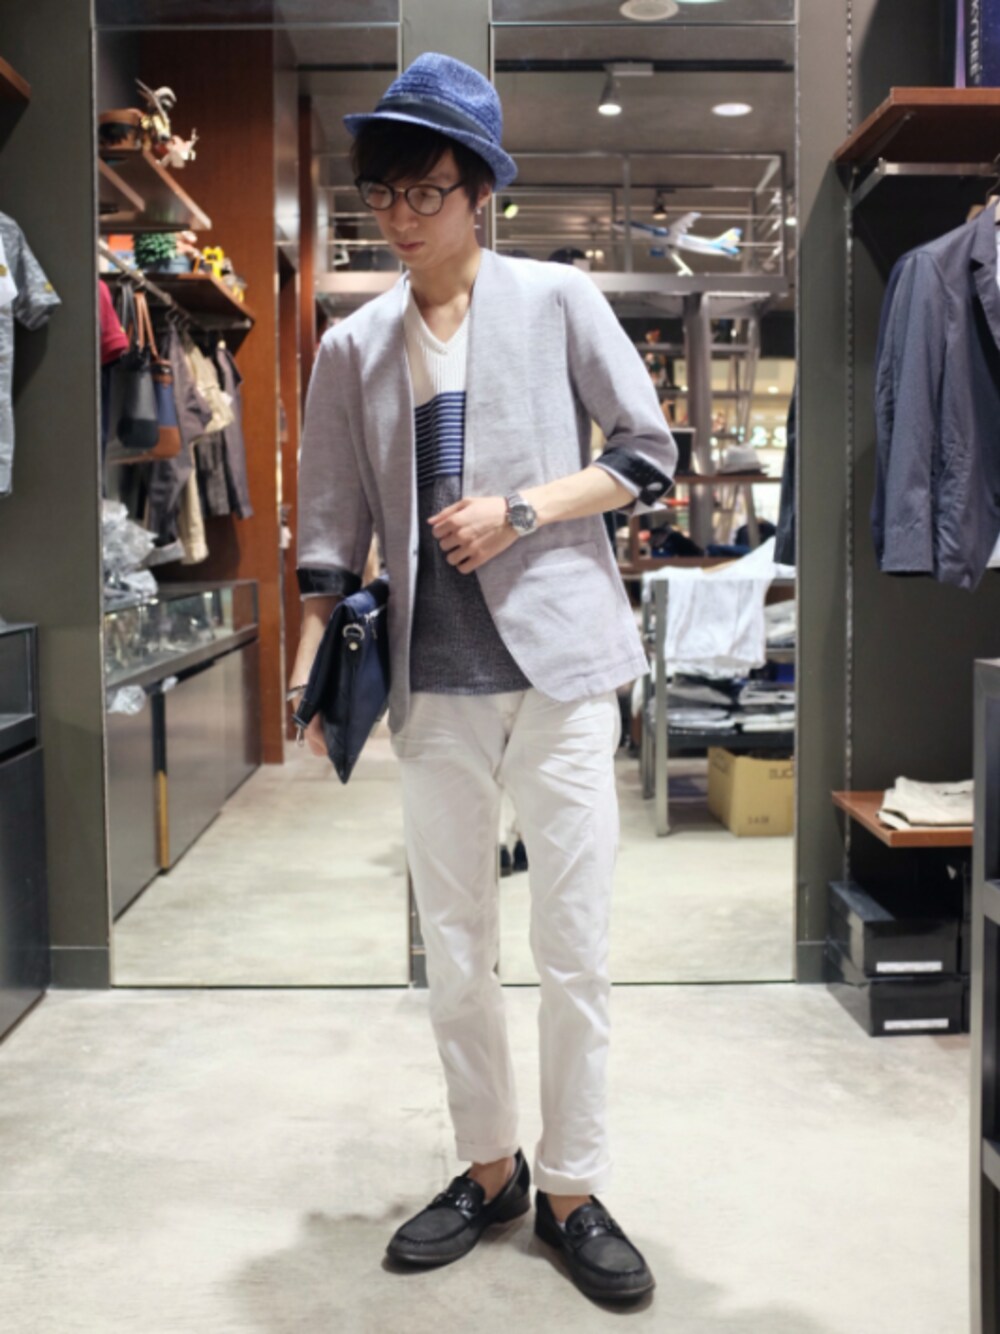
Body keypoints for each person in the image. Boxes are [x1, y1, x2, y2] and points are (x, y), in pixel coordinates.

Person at [290, 53, 676, 1305]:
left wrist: (521, 508)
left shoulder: (557, 301)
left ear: (480, 193)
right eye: (384, 192)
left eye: (426, 189)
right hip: (431, 685)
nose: (401, 215)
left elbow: (647, 453)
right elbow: (329, 523)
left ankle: (572, 1186)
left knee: (574, 944)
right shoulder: (352, 343)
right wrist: (318, 683)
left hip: (560, 671)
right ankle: (490, 1165)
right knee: (454, 946)